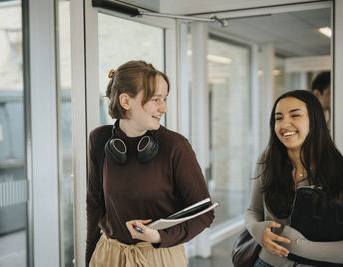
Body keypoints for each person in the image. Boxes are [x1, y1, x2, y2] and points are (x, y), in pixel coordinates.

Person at [86, 60, 215, 267]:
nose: (163, 108)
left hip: (158, 257)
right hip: (107, 255)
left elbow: (205, 215)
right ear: (126, 101)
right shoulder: (99, 140)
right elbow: (94, 206)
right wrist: (88, 259)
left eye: (164, 99)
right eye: (156, 99)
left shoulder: (175, 146)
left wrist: (158, 236)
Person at [245, 90, 343, 267]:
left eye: (295, 115)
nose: (284, 124)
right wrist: (258, 230)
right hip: (267, 263)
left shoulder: (338, 169)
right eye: (278, 118)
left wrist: (299, 246)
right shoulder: (267, 160)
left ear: (314, 121)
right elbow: (253, 211)